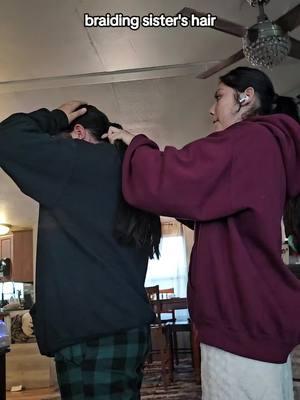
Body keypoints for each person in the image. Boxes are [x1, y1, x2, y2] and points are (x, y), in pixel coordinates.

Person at [103, 67, 300, 400]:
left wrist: (135, 144)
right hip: (254, 314)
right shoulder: (269, 146)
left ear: (246, 97)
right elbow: (212, 205)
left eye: (219, 97)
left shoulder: (249, 139)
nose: (211, 110)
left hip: (240, 317)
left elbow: (176, 174)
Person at [0, 101, 161, 400]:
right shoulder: (126, 167)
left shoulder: (78, 160)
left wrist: (55, 116)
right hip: (126, 327)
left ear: (77, 132)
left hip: (90, 334)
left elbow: (7, 137)